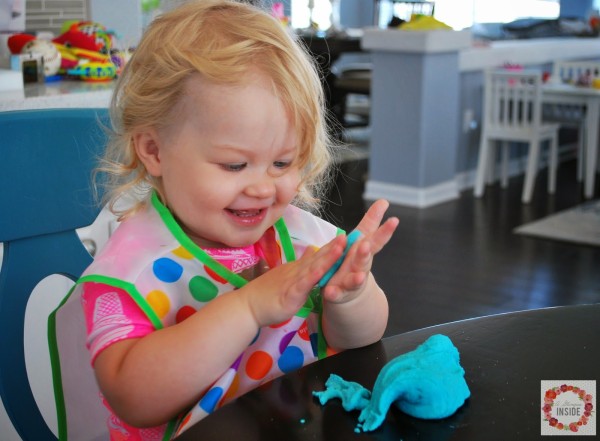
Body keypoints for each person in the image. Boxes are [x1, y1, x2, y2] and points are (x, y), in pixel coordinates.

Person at [50, 1, 399, 440]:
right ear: (154, 151)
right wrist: (248, 307)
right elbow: (133, 398)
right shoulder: (129, 273)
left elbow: (360, 341)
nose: (262, 188)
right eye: (235, 166)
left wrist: (350, 297)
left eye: (282, 162)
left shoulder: (302, 239)